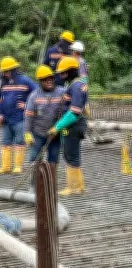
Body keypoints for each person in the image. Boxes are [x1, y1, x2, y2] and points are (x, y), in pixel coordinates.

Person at [49, 56, 89, 196]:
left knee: (70, 155)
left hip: (73, 125)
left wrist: (57, 126)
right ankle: (78, 186)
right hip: (73, 125)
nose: (61, 76)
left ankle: (74, 187)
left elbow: (74, 112)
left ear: (71, 71)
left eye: (63, 73)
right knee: (71, 154)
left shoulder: (76, 86)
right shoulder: (76, 83)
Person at [0, 57, 37, 174]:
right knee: (5, 142)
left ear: (14, 69)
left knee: (20, 141)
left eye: (8, 71)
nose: (6, 73)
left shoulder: (25, 80)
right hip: (6, 119)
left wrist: (27, 105)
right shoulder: (2, 83)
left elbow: (38, 94)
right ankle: (5, 166)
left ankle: (18, 166)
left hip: (20, 118)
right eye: (4, 71)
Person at [24, 65, 66, 184]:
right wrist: (27, 133)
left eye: (51, 78)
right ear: (40, 81)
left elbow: (74, 102)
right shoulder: (34, 96)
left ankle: (50, 185)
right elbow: (28, 116)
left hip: (55, 134)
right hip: (37, 134)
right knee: (34, 159)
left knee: (53, 160)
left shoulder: (62, 92)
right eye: (45, 79)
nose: (49, 81)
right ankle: (33, 184)